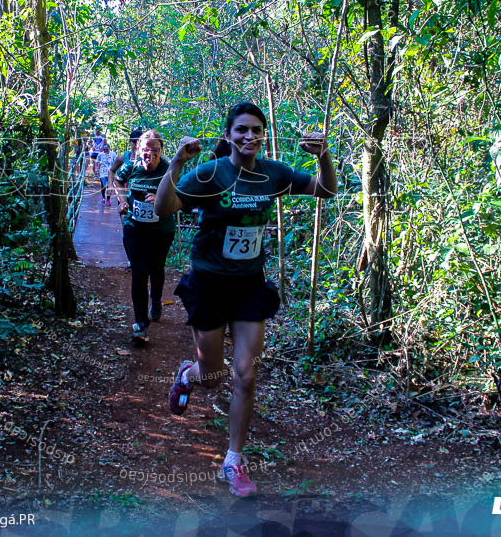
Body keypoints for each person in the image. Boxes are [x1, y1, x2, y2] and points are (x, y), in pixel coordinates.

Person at [154, 102, 337, 498]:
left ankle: (233, 461)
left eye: (256, 130)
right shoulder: (211, 173)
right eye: (241, 130)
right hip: (209, 284)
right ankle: (188, 374)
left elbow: (325, 190)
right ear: (229, 135)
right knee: (213, 379)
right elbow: (162, 208)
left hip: (250, 286)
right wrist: (175, 166)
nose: (249, 137)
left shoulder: (273, 173)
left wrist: (323, 157)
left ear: (263, 134)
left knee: (246, 375)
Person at [114, 129, 176, 345]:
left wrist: (160, 197)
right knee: (139, 272)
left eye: (155, 150)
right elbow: (118, 181)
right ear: (138, 149)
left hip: (161, 230)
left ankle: (156, 299)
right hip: (134, 227)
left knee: (156, 269)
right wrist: (122, 201)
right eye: (146, 149)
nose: (150, 154)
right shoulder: (130, 167)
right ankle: (140, 325)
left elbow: (181, 192)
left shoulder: (168, 169)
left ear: (161, 151)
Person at [109, 128, 144, 270]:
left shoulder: (147, 157)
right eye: (135, 141)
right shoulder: (123, 157)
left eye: (140, 141)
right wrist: (110, 185)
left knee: (141, 229)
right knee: (127, 228)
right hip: (124, 198)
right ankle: (131, 260)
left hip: (140, 199)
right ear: (130, 142)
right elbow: (112, 171)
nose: (137, 144)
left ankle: (140, 258)